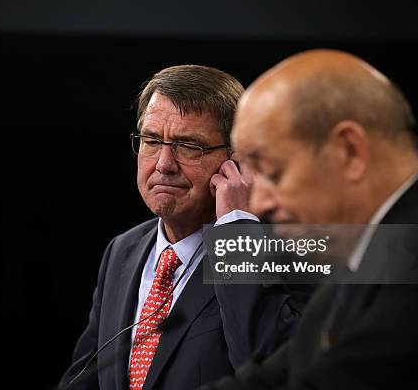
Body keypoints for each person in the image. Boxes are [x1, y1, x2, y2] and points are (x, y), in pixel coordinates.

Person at [199, 49, 418, 389]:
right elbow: (275, 375)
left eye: (273, 173)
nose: (258, 204)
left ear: (349, 151)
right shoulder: (377, 252)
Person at [59, 65, 310, 390]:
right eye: (151, 140)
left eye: (189, 145)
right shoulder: (122, 250)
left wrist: (235, 230)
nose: (164, 164)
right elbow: (84, 378)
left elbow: (272, 369)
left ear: (236, 161)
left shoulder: (285, 251)